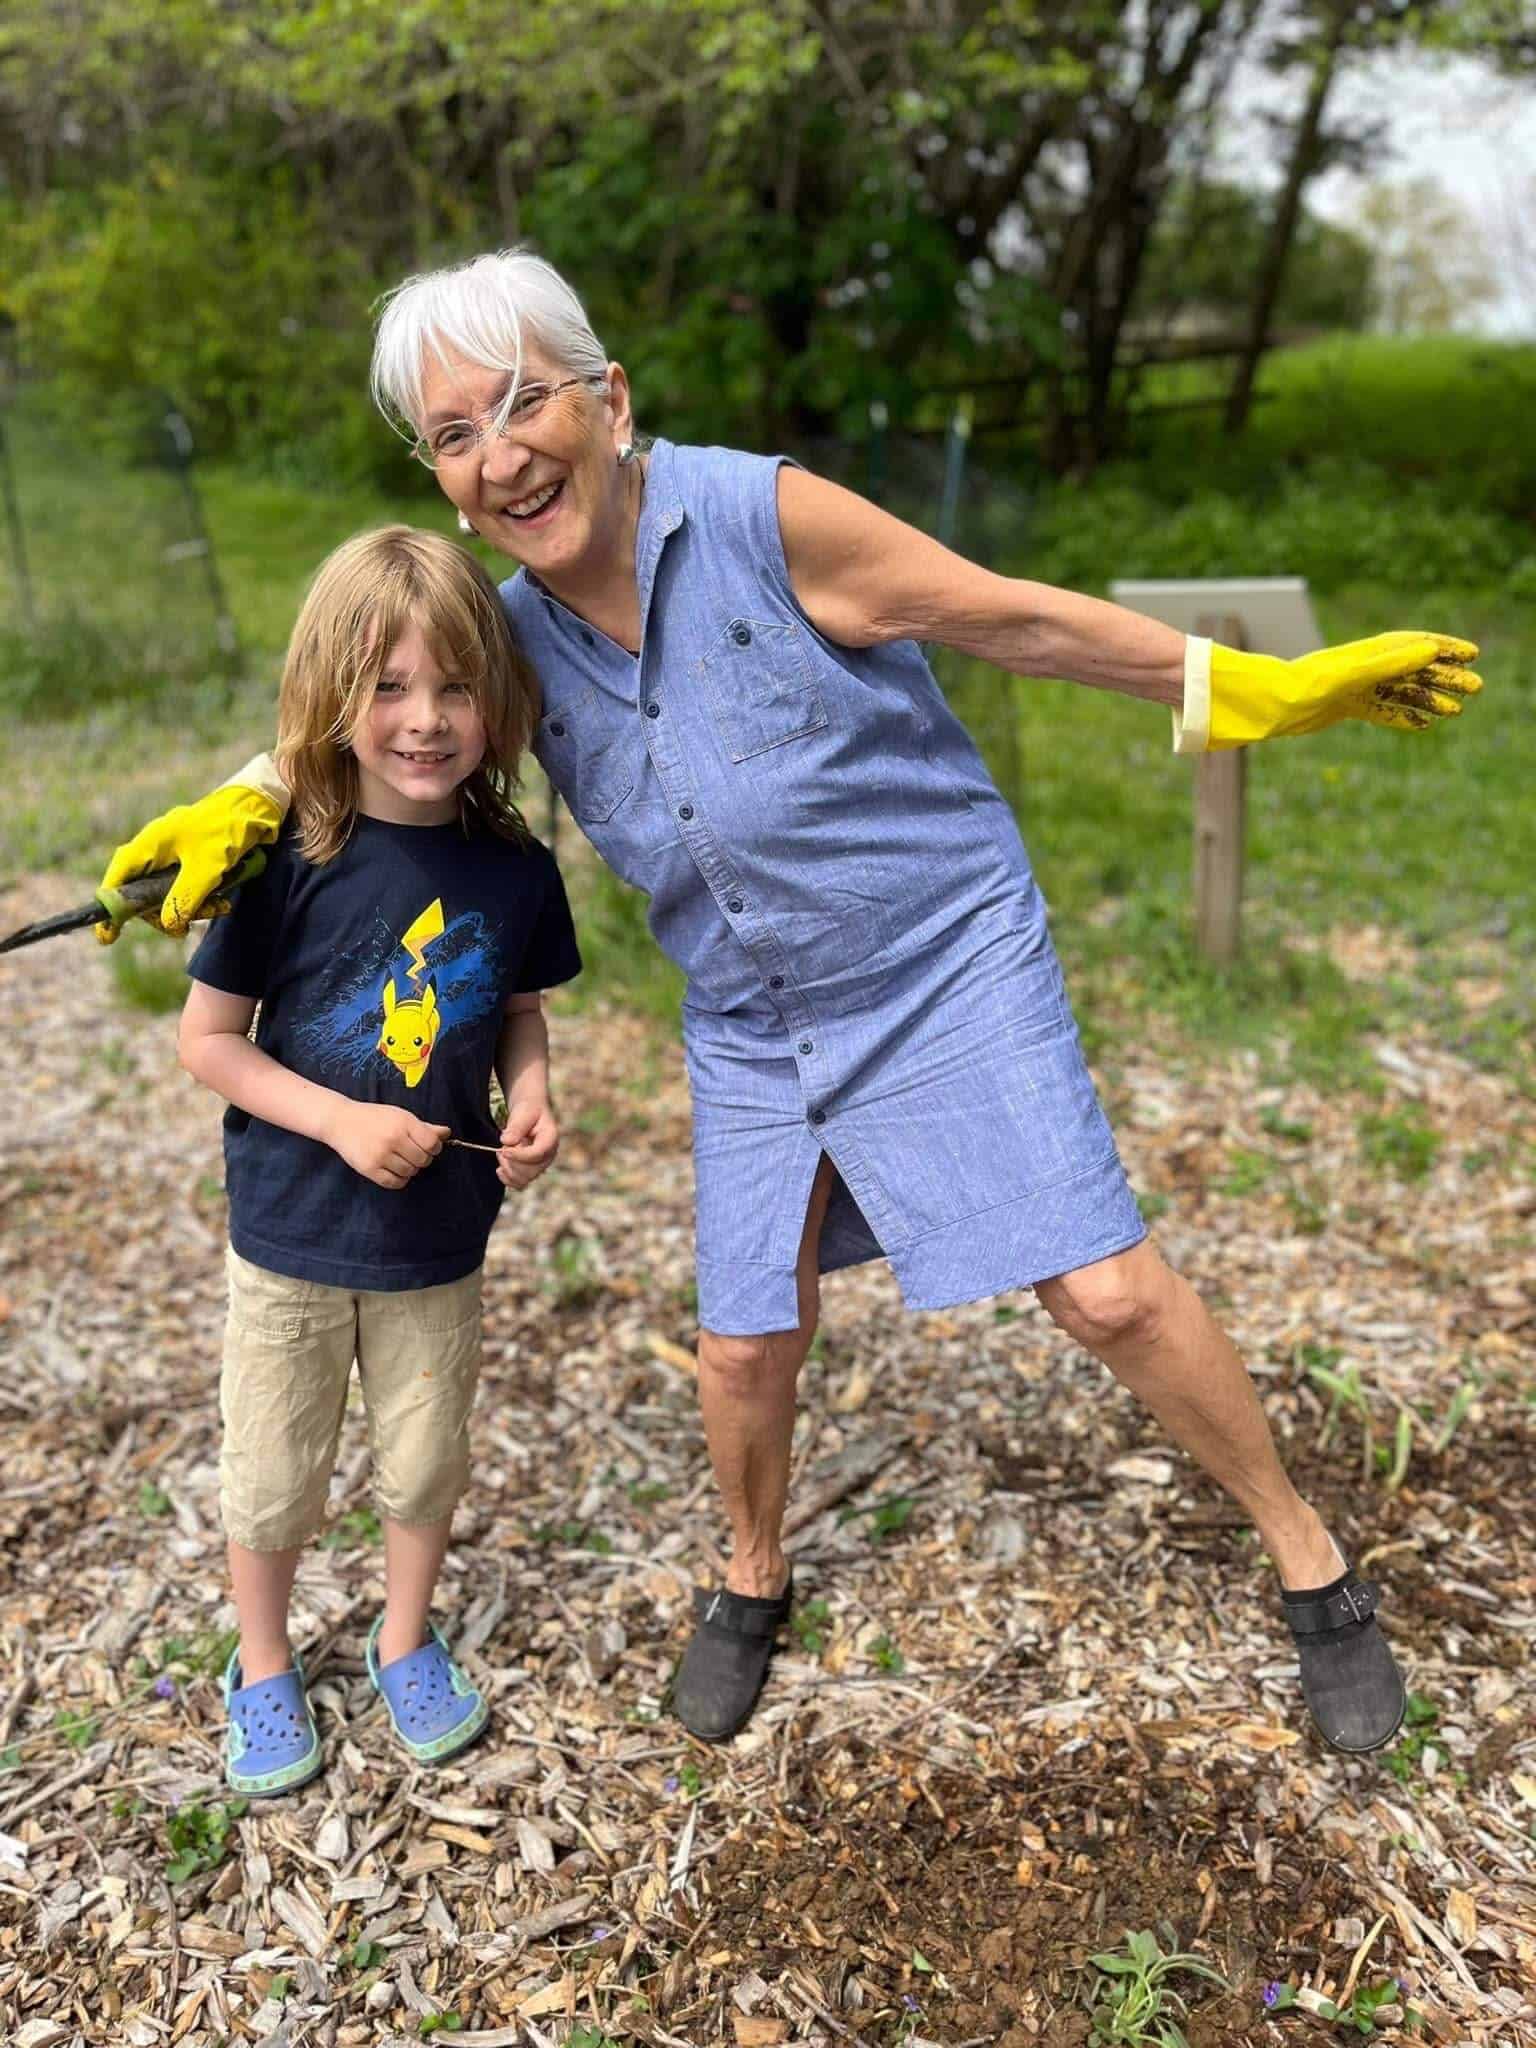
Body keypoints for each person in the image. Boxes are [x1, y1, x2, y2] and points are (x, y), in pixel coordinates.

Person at [110, 250, 1482, 1758]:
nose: (500, 452)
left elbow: (1006, 616)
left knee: (1100, 1290)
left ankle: (1310, 1563)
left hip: (938, 954)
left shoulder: (764, 519)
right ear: (440, 477)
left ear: (609, 401)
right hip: (755, 1007)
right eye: (453, 432)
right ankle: (751, 1575)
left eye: (524, 402)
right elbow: (381, 696)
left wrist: (1250, 689)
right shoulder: (504, 632)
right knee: (750, 1337)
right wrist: (237, 800)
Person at [176, 524, 580, 1794]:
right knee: (276, 1468)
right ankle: (262, 1663)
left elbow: (519, 1006)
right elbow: (210, 1043)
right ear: (329, 696)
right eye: (389, 686)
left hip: (438, 1238)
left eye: (455, 686)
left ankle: (404, 1636)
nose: (423, 719)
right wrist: (342, 1120)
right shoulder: (284, 855)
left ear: (496, 701)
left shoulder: (514, 867)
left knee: (423, 1457)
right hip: (292, 1230)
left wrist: (538, 1095)